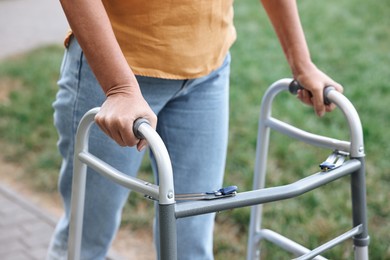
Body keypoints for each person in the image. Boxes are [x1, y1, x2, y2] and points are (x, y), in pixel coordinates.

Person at [47, 0, 344, 259]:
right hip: (116, 70)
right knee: (86, 237)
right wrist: (119, 87)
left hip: (208, 72)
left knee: (192, 241)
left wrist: (301, 62)